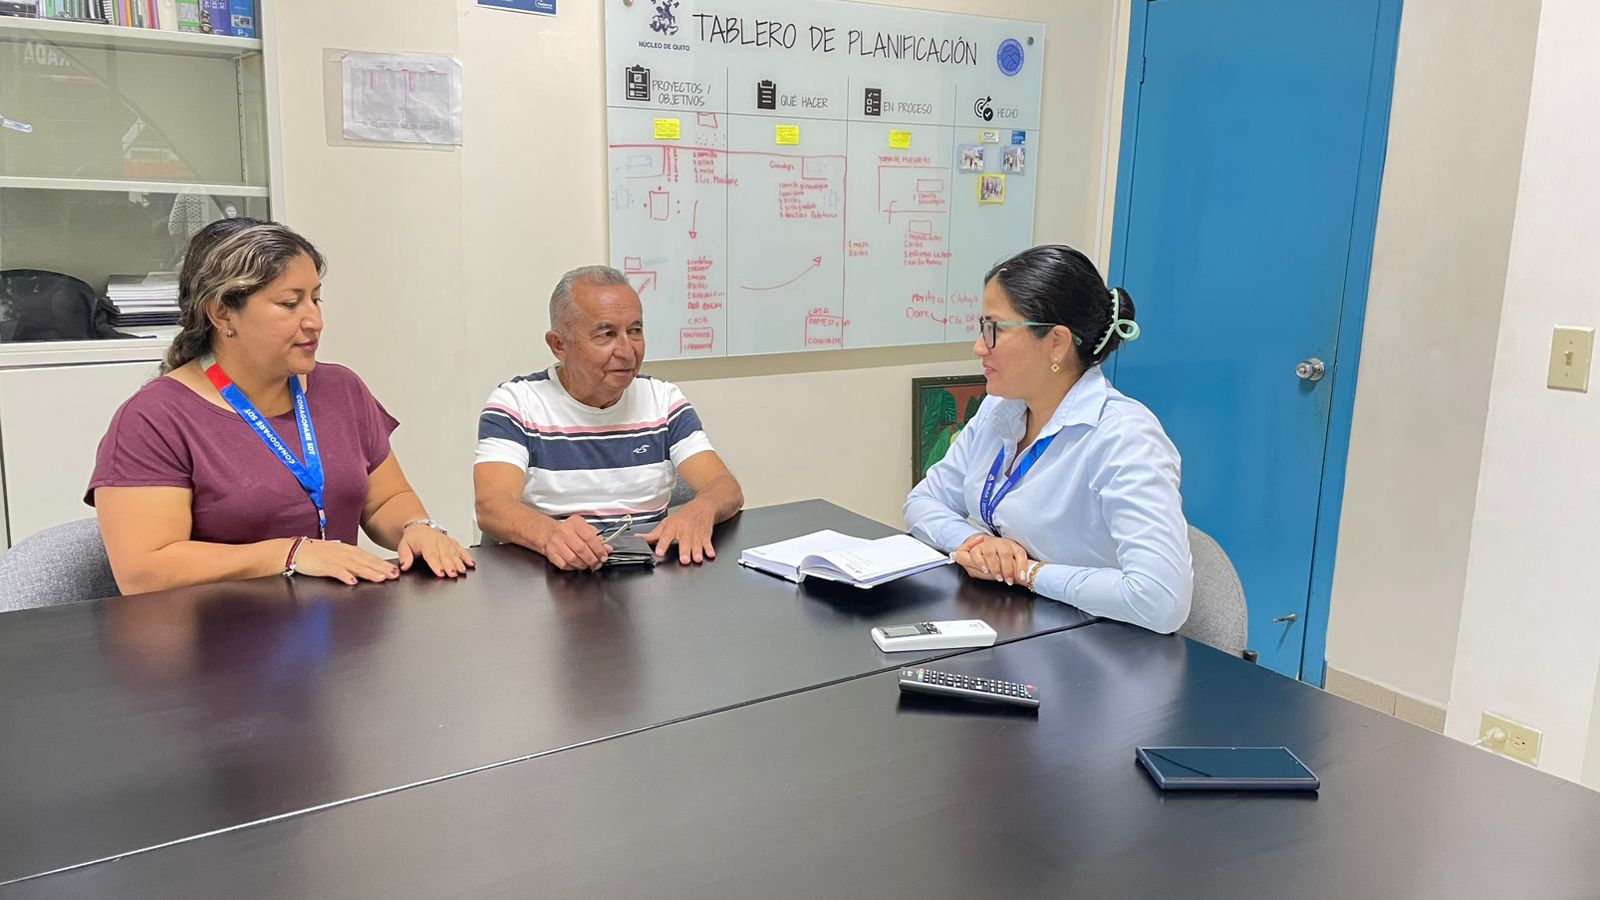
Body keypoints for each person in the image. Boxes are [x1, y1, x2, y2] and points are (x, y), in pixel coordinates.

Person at [88, 218, 475, 594]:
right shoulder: (153, 419)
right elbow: (144, 572)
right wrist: (290, 554)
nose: (315, 321)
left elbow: (385, 500)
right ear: (221, 312)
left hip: (343, 625)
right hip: (228, 631)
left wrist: (415, 527)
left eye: (316, 299)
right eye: (290, 304)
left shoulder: (342, 389)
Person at [903, 244, 1192, 633]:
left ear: (1056, 342)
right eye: (982, 326)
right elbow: (923, 502)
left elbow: (1160, 599)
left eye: (995, 329)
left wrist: (1029, 572)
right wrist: (978, 544)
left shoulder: (1124, 437)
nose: (979, 346)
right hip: (1017, 625)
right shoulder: (1000, 408)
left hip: (1100, 644)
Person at [473, 266, 743, 570]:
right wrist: (550, 535)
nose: (627, 351)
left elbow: (724, 486)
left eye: (635, 331)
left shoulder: (663, 399)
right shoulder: (516, 403)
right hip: (551, 576)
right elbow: (492, 506)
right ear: (559, 345)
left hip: (647, 577)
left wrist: (701, 509)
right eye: (607, 334)